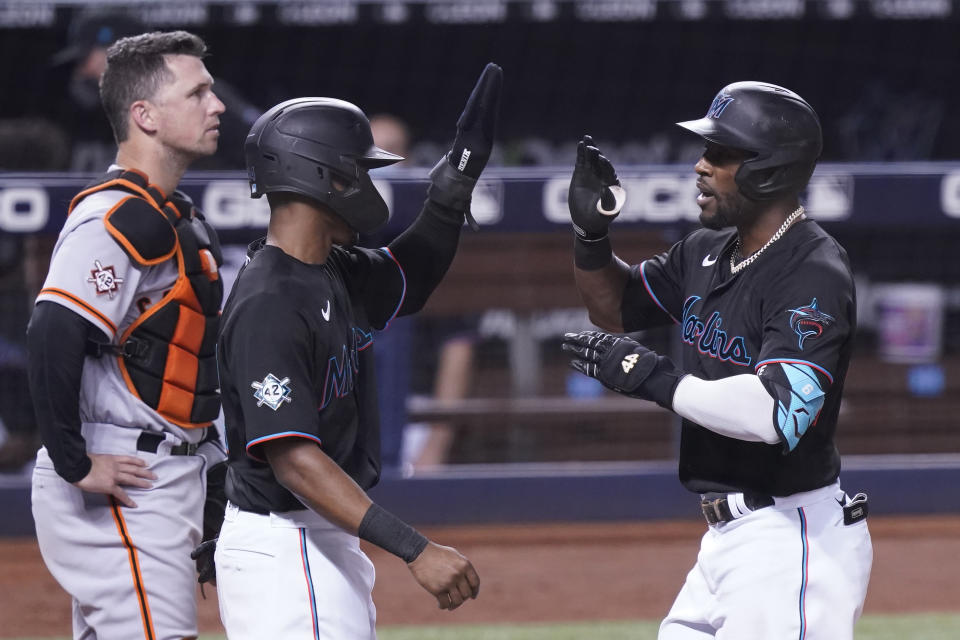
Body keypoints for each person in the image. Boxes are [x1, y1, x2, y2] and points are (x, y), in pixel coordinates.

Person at [562, 82, 873, 639]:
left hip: (789, 540)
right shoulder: (706, 251)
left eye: (721, 154)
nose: (701, 166)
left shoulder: (812, 270)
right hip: (726, 543)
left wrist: (655, 379)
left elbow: (780, 412)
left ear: (769, 170)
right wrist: (591, 235)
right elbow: (614, 308)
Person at [210, 63, 502, 639]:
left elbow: (407, 280)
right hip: (285, 543)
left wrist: (450, 192)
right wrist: (415, 549)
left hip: (312, 537)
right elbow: (294, 459)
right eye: (358, 173)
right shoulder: (270, 300)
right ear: (323, 176)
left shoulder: (327, 268)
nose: (368, 186)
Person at [27, 31, 229, 639]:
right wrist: (72, 461)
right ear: (144, 114)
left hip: (160, 474)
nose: (216, 105)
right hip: (123, 476)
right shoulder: (115, 214)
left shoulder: (177, 215)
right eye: (197, 92)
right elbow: (51, 331)